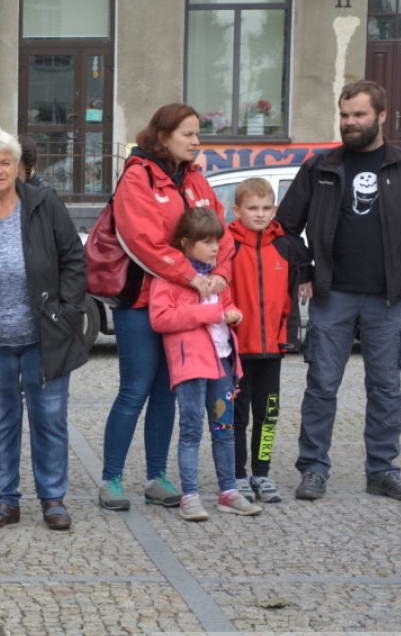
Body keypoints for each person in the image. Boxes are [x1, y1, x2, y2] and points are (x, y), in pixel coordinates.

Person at [276, 80, 401, 502]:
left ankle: (382, 470)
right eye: (345, 115)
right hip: (332, 297)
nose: (350, 123)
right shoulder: (320, 168)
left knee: (385, 388)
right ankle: (313, 469)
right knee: (321, 386)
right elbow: (284, 228)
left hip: (389, 299)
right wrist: (306, 268)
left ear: (381, 116)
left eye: (359, 115)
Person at [0, 128, 87, 531]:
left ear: (18, 166)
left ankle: (53, 499)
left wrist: (67, 313)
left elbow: (74, 260)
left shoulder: (45, 204)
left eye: (5, 162)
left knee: (50, 418)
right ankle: (5, 500)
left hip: (43, 336)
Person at [99, 103, 235, 511]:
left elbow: (221, 236)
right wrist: (191, 276)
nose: (197, 141)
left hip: (184, 304)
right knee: (135, 388)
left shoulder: (194, 179)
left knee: (166, 390)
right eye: (188, 134)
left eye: (198, 133)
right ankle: (111, 479)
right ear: (163, 137)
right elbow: (142, 240)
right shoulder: (138, 176)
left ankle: (156, 477)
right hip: (140, 301)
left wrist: (222, 275)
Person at [150, 208, 261, 521]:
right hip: (191, 367)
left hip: (221, 363)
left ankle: (227, 491)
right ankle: (190, 495)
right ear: (186, 243)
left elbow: (225, 305)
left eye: (217, 241)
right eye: (207, 242)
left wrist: (233, 311)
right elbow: (161, 319)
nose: (215, 248)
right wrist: (211, 315)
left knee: (223, 428)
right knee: (190, 430)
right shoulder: (171, 276)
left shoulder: (216, 278)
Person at [227, 177, 309, 505]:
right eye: (252, 208)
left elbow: (292, 297)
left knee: (269, 413)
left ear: (274, 209)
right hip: (237, 351)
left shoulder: (285, 246)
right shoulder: (227, 245)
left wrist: (287, 339)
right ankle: (235, 474)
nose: (259, 214)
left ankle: (261, 472)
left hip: (271, 351)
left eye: (265, 208)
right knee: (237, 416)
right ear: (237, 210)